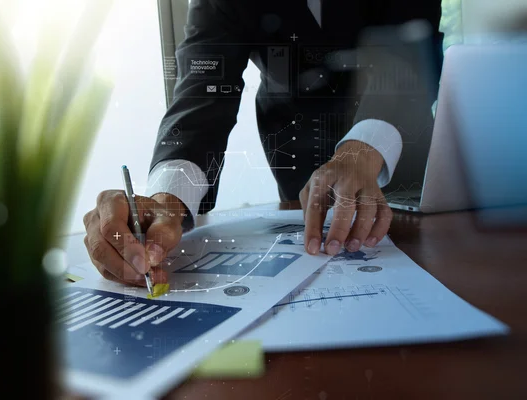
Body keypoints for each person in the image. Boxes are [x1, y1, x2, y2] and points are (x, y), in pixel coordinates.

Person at [83, 0, 443, 286]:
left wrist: (363, 150)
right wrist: (167, 201)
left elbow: (409, 52)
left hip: (404, 163)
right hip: (298, 160)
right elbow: (203, 91)